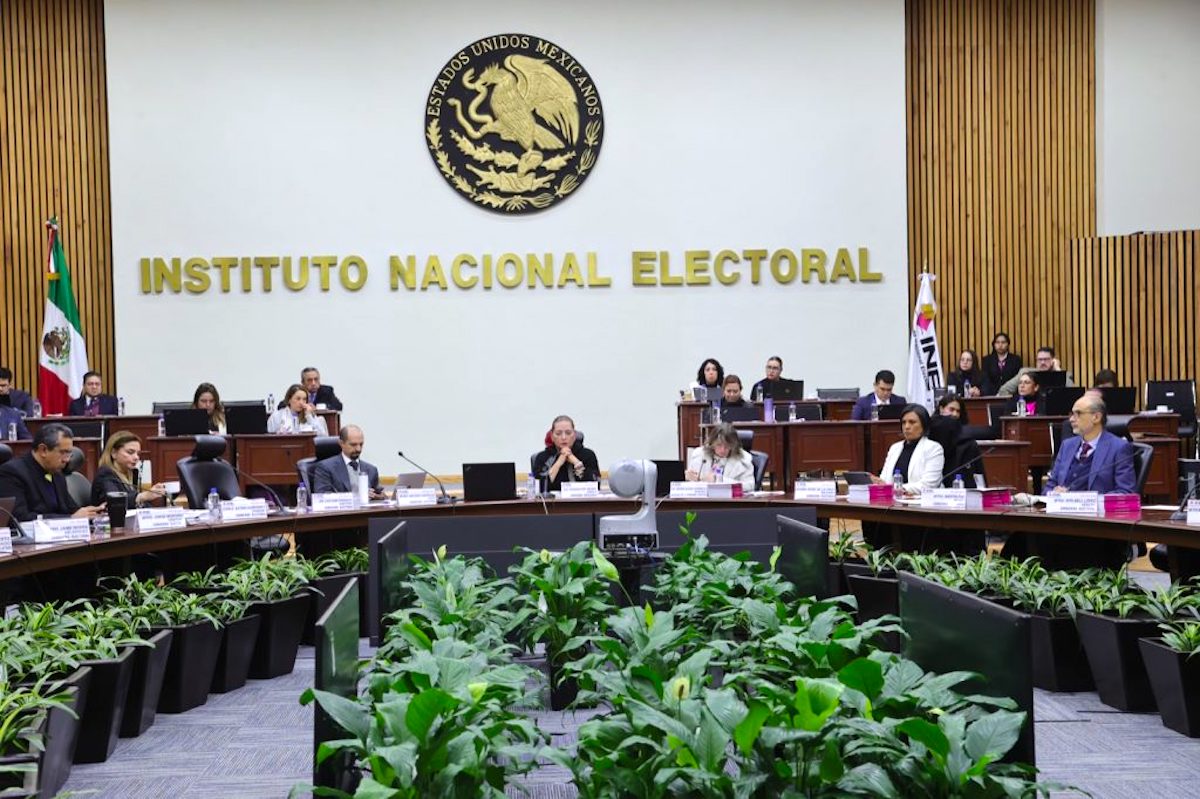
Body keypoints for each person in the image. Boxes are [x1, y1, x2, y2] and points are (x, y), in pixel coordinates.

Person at [1015, 395, 1135, 569]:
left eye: (1078, 414)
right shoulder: (1068, 445)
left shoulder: (1119, 448)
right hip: (1060, 520)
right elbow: (1051, 484)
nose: (1071, 419)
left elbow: (1125, 493)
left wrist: (1078, 499)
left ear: (1096, 417)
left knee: (1041, 544)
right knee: (1020, 539)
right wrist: (1053, 495)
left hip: (1093, 527)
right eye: (1071, 414)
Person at [0, 423, 104, 522]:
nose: (67, 460)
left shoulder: (57, 473)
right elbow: (20, 518)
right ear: (43, 450)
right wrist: (70, 518)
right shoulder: (12, 473)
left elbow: (71, 509)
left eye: (69, 453)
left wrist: (93, 513)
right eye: (63, 452)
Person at [873, 404, 945, 496]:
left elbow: (929, 484)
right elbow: (885, 480)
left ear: (924, 425)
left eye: (912, 422)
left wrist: (899, 489)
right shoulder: (895, 448)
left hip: (922, 501)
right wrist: (878, 482)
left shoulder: (933, 448)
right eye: (904, 422)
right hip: (894, 500)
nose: (906, 427)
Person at [91, 431, 167, 507]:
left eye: (138, 454)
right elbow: (115, 501)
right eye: (130, 452)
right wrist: (142, 496)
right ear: (114, 453)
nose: (136, 457)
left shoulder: (131, 473)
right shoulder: (105, 474)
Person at [311, 424, 384, 498]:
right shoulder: (325, 468)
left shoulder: (371, 470)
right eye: (353, 445)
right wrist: (356, 496)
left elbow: (379, 495)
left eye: (361, 444)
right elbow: (322, 496)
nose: (358, 449)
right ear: (341, 443)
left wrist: (379, 496)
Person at [532, 415, 600, 492]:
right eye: (558, 433)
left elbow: (595, 486)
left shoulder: (588, 455)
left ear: (574, 435)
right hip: (553, 499)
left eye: (568, 433)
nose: (563, 437)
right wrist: (559, 462)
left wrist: (576, 462)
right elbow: (539, 487)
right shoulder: (543, 457)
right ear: (552, 436)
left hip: (581, 499)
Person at [685, 422, 754, 491]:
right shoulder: (699, 455)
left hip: (728, 497)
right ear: (712, 443)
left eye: (727, 446)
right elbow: (691, 484)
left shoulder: (743, 459)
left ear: (733, 445)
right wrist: (687, 478)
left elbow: (750, 486)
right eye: (719, 445)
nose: (722, 450)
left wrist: (719, 480)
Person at [996, 346, 1073, 396]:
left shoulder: (1064, 374)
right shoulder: (1026, 372)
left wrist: (1058, 369)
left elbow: (1073, 392)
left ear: (1053, 360)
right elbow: (1004, 390)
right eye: (1040, 360)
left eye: (1046, 359)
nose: (1042, 362)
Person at [277, 367, 343, 411]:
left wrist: (319, 408)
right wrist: (301, 407)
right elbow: (281, 406)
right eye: (309, 380)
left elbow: (339, 406)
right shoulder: (298, 391)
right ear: (303, 382)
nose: (313, 383)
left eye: (316, 379)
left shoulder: (327, 391)